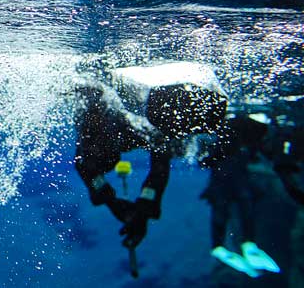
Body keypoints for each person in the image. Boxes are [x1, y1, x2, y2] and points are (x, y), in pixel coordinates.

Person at [75, 62, 229, 250]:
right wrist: (136, 207)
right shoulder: (128, 131)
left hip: (159, 100)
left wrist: (121, 205)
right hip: (163, 101)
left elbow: (85, 166)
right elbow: (159, 168)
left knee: (171, 137)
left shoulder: (101, 124)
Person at [198, 114, 281, 277]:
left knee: (225, 206)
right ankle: (244, 244)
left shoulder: (242, 132)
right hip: (233, 178)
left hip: (226, 178)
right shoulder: (249, 132)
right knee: (241, 204)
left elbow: (206, 159)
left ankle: (225, 246)